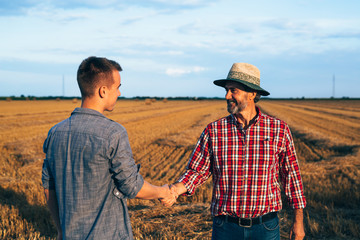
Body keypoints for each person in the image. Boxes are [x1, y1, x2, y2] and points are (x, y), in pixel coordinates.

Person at [42, 56, 175, 240]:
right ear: (103, 91)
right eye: (117, 87)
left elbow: (49, 187)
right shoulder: (113, 133)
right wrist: (163, 191)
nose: (119, 93)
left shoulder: (55, 133)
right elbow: (132, 187)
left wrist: (60, 230)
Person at [170, 63, 306, 240]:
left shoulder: (279, 130)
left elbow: (291, 178)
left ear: (252, 93)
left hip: (265, 227)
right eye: (226, 90)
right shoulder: (214, 130)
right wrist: (174, 190)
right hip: (225, 227)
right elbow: (197, 171)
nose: (227, 96)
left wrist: (298, 222)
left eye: (233, 90)